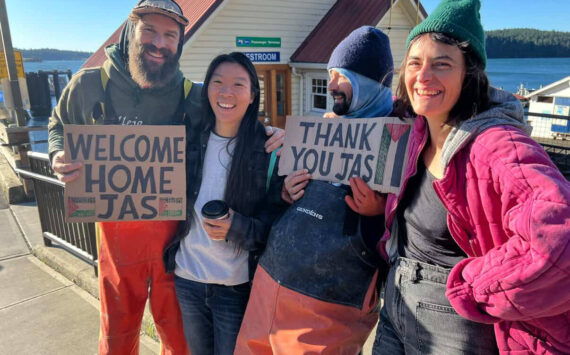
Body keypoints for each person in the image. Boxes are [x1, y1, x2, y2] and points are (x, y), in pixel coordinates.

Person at [47, 1, 283, 354]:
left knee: (179, 340)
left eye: (170, 35)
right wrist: (56, 155)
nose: (159, 43)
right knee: (116, 338)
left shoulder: (191, 96)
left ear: (179, 43)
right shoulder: (88, 83)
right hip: (114, 239)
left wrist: (268, 133)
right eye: (150, 31)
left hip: (173, 245)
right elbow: (58, 125)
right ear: (131, 31)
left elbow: (231, 113)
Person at [372, 0, 570, 354]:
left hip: (454, 325)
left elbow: (560, 235)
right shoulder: (415, 130)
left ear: (470, 75)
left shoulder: (496, 145)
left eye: (442, 64)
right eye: (415, 63)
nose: (423, 76)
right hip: (396, 306)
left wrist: (474, 287)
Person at [235, 26, 394, 354]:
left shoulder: (396, 143)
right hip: (269, 290)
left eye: (342, 76)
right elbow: (283, 206)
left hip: (328, 310)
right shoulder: (320, 129)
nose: (331, 84)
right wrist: (285, 194)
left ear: (368, 83)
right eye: (330, 74)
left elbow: (406, 240)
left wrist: (378, 214)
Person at [162, 52, 287, 355]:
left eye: (238, 84)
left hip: (236, 287)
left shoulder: (271, 149)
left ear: (252, 94)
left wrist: (236, 227)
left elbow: (276, 231)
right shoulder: (188, 140)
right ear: (206, 90)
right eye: (217, 82)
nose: (226, 92)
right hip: (187, 279)